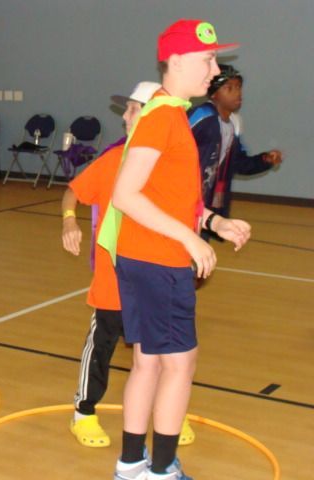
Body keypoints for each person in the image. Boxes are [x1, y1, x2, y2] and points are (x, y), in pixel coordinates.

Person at [105, 20, 251, 480]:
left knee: (148, 361)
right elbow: (126, 194)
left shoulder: (171, 114)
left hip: (145, 254)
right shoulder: (165, 115)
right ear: (179, 61)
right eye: (207, 60)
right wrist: (189, 239)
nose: (215, 70)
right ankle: (162, 469)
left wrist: (211, 221)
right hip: (159, 259)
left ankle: (132, 464)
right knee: (179, 364)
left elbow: (173, 194)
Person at [64, 81, 192, 449]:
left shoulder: (170, 165)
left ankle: (166, 418)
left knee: (164, 354)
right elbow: (73, 190)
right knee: (102, 346)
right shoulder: (112, 162)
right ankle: (83, 412)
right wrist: (68, 219)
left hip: (156, 275)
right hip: (114, 279)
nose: (125, 116)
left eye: (133, 108)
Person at [188, 64, 283, 225]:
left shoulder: (234, 123)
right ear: (214, 94)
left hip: (209, 202)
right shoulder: (201, 116)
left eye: (239, 87)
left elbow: (238, 163)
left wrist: (264, 160)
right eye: (229, 88)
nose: (237, 92)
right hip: (184, 199)